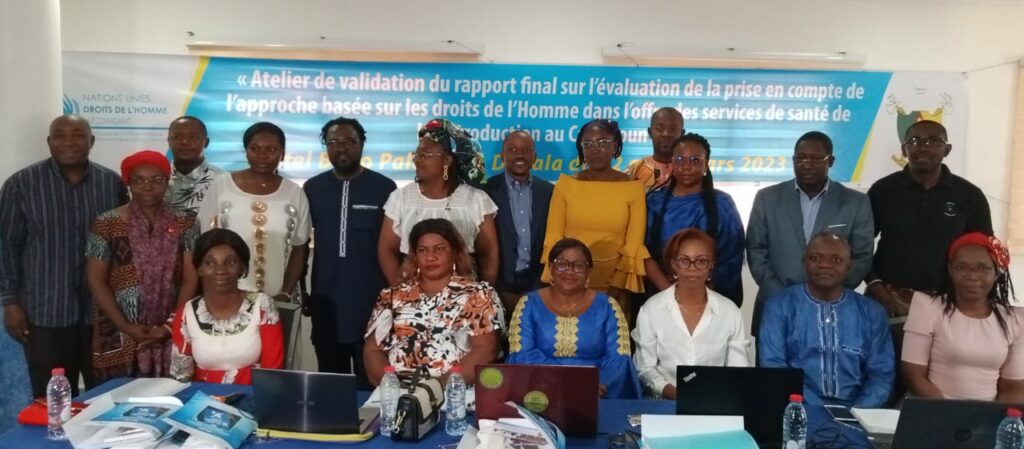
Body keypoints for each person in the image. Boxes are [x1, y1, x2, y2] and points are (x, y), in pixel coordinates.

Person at [0, 115, 127, 397]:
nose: (69, 142)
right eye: (60, 135)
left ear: (91, 141)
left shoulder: (111, 184)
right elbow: (7, 247)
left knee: (104, 397)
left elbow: (123, 246)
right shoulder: (21, 185)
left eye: (78, 135)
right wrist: (10, 303)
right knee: (52, 400)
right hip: (45, 313)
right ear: (49, 142)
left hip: (101, 315)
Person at [86, 151, 199, 383]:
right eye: (139, 180)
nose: (148, 187)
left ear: (167, 181)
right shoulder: (105, 223)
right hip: (119, 329)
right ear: (128, 182)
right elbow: (96, 280)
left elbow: (191, 277)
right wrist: (126, 326)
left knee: (173, 395)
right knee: (116, 396)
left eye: (156, 180)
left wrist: (170, 326)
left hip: (172, 327)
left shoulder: (186, 222)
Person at [746, 131, 874, 335]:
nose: (807, 164)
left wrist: (828, 293)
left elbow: (862, 255)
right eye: (801, 158)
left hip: (833, 309)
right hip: (776, 305)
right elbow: (755, 249)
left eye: (816, 158)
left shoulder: (855, 202)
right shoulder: (767, 198)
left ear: (830, 161)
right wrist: (781, 296)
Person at [304, 116, 396, 385]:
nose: (341, 148)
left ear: (362, 144)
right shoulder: (313, 188)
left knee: (372, 384)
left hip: (371, 301)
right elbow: (300, 243)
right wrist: (302, 291)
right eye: (333, 142)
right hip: (327, 301)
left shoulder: (384, 187)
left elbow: (394, 247)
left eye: (349, 142)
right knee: (331, 384)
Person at [867, 120, 992, 317]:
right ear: (904, 149)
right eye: (914, 141)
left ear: (947, 150)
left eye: (933, 141)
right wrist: (877, 288)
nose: (923, 147)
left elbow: (985, 252)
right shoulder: (882, 191)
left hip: (948, 304)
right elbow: (860, 246)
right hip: (887, 301)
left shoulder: (969, 195)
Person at [759, 233, 894, 408]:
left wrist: (856, 413)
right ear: (804, 261)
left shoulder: (871, 312)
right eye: (815, 258)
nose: (824, 265)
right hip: (797, 410)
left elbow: (881, 375)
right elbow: (774, 367)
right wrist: (820, 412)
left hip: (859, 414)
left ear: (848, 266)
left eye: (836, 260)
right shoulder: (780, 305)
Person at [365, 218, 503, 385]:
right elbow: (372, 350)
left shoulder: (478, 294)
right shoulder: (392, 296)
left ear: (455, 252)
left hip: (454, 391)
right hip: (398, 391)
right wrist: (393, 386)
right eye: (422, 250)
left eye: (440, 249)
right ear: (414, 256)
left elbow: (486, 349)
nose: (430, 257)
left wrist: (438, 387)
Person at [507, 238, 641, 399]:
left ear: (588, 272)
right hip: (540, 393)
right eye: (562, 264)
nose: (570, 271)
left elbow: (619, 359)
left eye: (579, 265)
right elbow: (522, 355)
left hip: (597, 394)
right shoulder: (529, 304)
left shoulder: (608, 306)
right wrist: (569, 383)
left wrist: (595, 386)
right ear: (551, 268)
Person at [542, 119, 648, 317]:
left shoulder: (633, 188)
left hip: (615, 288)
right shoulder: (565, 186)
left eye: (602, 143)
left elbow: (633, 245)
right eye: (588, 144)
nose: (594, 149)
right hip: (569, 283)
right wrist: (567, 284)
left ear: (615, 146)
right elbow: (554, 241)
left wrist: (612, 295)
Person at [902, 232, 1024, 402]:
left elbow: (1014, 387)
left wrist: (990, 416)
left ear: (997, 273)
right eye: (961, 267)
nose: (972, 276)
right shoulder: (928, 308)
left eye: (983, 268)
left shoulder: (1014, 320)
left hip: (989, 415)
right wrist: (951, 414)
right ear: (950, 270)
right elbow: (913, 374)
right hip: (934, 409)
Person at [197, 122, 311, 300]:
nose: (262, 155)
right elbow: (206, 243)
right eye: (255, 148)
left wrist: (285, 293)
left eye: (271, 149)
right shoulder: (222, 185)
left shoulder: (294, 193)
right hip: (226, 296)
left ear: (282, 154)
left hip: (277, 297)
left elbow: (299, 248)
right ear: (246, 151)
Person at [378, 118, 498, 286]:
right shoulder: (400, 198)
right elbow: (386, 249)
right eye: (417, 154)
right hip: (412, 292)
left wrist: (482, 294)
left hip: (463, 295)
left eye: (425, 154)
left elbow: (489, 254)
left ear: (447, 160)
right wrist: (400, 291)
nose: (417, 159)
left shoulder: (476, 199)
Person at [633, 228, 750, 399]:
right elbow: (645, 369)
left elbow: (739, 369)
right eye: (684, 260)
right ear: (673, 264)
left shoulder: (729, 312)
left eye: (701, 261)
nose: (692, 268)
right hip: (665, 403)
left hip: (715, 402)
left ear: (711, 265)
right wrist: (675, 394)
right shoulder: (651, 309)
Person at [170, 228, 284, 384]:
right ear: (199, 269)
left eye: (230, 262)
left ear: (242, 267)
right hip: (202, 396)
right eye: (210, 263)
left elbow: (273, 374)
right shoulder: (186, 314)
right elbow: (181, 378)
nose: (220, 270)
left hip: (254, 395)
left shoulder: (263, 306)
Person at [645, 133, 745, 306]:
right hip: (660, 296)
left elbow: (731, 257)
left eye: (695, 160)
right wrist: (669, 293)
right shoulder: (654, 202)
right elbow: (643, 253)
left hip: (711, 300)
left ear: (706, 164)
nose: (686, 166)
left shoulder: (722, 203)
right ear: (671, 163)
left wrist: (699, 295)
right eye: (679, 159)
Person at [484, 130, 554, 316]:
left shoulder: (549, 192)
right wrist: (500, 291)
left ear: (535, 157)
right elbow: (482, 249)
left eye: (526, 150)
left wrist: (536, 290)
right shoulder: (485, 191)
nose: (520, 155)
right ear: (502, 156)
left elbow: (551, 243)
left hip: (538, 289)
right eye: (512, 149)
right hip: (497, 289)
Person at [164, 116, 225, 214]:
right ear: (169, 141)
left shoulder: (222, 181)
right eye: (178, 137)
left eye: (193, 137)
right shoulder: (155, 179)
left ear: (206, 142)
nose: (185, 142)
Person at [626, 107, 684, 192]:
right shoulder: (635, 170)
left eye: (673, 129)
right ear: (650, 132)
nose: (666, 134)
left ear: (682, 134)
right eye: (660, 129)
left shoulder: (689, 170)